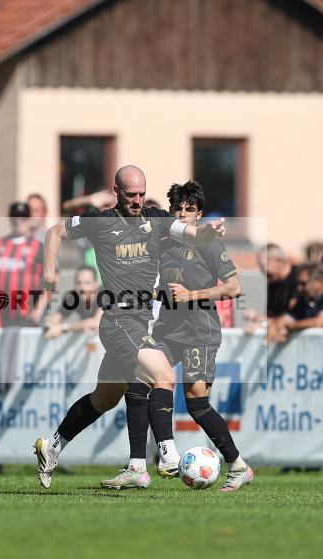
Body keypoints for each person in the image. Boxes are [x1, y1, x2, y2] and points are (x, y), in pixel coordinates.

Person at [34, 165, 226, 489]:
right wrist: (49, 273)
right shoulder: (99, 221)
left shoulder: (155, 218)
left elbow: (192, 233)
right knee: (164, 375)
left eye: (141, 194)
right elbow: (54, 232)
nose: (137, 200)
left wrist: (208, 231)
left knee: (104, 399)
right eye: (130, 194)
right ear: (116, 191)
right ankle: (169, 456)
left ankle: (52, 447)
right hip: (118, 320)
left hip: (138, 321)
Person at [100, 180, 252, 492]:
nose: (182, 214)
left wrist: (192, 295)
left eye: (189, 209)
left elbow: (234, 288)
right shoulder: (163, 242)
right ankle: (137, 466)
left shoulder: (209, 244)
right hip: (167, 331)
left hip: (200, 333)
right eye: (177, 209)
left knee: (197, 405)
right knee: (138, 385)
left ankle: (238, 466)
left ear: (199, 214)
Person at [0, 202, 47, 326]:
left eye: (23, 217)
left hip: (29, 315)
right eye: (15, 216)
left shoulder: (39, 247)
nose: (19, 220)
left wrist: (39, 307)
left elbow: (52, 279)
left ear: (30, 219)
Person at [43, 265, 102, 339]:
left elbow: (97, 323)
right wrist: (49, 323)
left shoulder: (105, 294)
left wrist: (63, 328)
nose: (82, 287)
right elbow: (58, 316)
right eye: (79, 283)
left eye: (87, 283)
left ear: (96, 284)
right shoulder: (73, 297)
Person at [259, 243, 300, 344]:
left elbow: (297, 312)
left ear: (278, 261)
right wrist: (257, 321)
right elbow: (270, 315)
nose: (263, 271)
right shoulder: (273, 284)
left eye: (264, 265)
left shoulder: (300, 278)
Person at [285, 262, 323, 333]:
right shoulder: (305, 297)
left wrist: (292, 326)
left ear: (319, 281)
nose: (299, 288)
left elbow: (320, 322)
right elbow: (287, 318)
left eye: (303, 283)